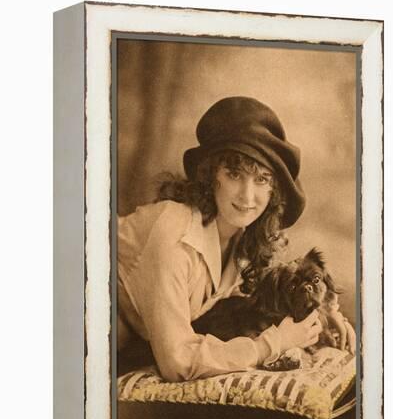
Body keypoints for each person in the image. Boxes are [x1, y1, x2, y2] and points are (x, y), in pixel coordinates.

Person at [117, 96, 353, 382]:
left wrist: (327, 312)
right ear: (209, 175)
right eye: (234, 174)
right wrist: (272, 344)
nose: (247, 196)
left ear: (273, 191)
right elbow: (178, 362)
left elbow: (262, 300)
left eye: (261, 180)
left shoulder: (242, 240)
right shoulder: (174, 232)